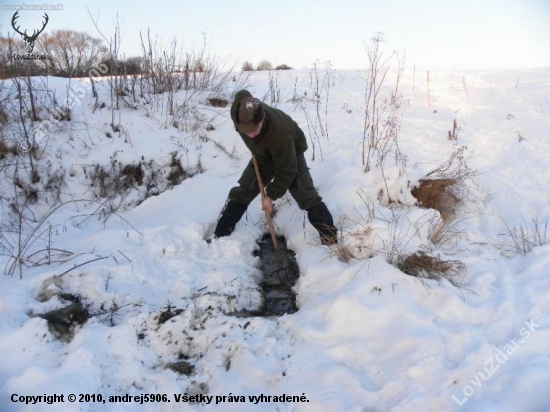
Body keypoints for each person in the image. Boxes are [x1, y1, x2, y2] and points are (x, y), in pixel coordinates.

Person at [213, 89, 338, 245]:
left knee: (306, 195)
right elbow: (242, 93)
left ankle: (330, 240)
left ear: (262, 119)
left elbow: (287, 171)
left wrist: (270, 196)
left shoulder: (280, 133)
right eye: (245, 131)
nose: (250, 135)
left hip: (290, 151)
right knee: (244, 190)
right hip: (262, 154)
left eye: (254, 130)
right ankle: (220, 236)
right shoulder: (238, 112)